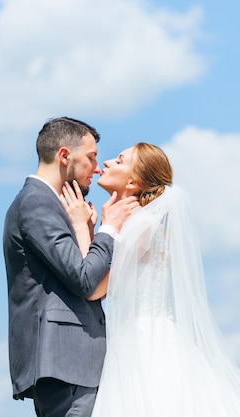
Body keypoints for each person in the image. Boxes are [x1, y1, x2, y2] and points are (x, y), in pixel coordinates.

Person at [62, 142, 240, 416]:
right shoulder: (136, 224)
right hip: (142, 337)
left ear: (133, 182)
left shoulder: (142, 226)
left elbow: (94, 289)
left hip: (146, 343)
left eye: (119, 160)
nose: (107, 162)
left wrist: (80, 226)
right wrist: (95, 227)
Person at [2, 117, 140, 417]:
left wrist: (87, 231)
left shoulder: (52, 204)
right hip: (67, 363)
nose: (97, 166)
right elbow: (84, 279)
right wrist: (109, 230)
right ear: (65, 156)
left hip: (75, 365)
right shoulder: (36, 203)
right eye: (90, 158)